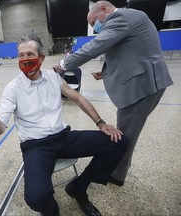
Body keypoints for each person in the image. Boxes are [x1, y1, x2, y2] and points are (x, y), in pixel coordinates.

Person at [0, 35, 128, 216]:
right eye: (21, 55)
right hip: (36, 146)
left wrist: (100, 123)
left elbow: (78, 98)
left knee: (119, 142)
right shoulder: (13, 88)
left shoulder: (53, 77)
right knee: (36, 197)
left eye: (30, 54)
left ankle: (79, 187)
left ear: (41, 58)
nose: (25, 59)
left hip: (64, 137)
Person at [53, 0, 173, 187]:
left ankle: (116, 174)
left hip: (141, 86)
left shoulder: (119, 17)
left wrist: (63, 65)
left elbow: (94, 47)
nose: (95, 28)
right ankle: (117, 169)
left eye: (94, 23)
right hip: (149, 81)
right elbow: (134, 52)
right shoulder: (133, 16)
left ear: (104, 9)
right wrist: (106, 72)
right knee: (126, 131)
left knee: (124, 136)